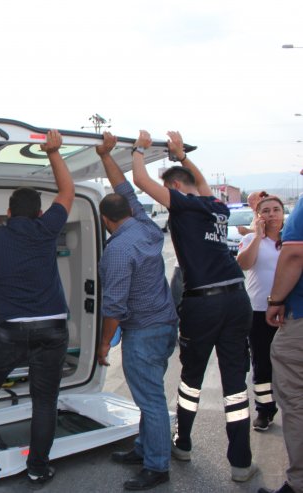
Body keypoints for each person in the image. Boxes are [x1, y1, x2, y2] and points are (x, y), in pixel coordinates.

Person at [132, 130, 256, 482]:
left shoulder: (184, 204)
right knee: (236, 384)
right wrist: (181, 155)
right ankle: (242, 464)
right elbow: (201, 182)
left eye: (169, 188)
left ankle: (182, 444)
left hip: (205, 303)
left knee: (190, 380)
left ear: (175, 187)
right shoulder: (215, 207)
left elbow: (140, 180)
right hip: (237, 298)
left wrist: (140, 148)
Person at [0, 129, 74, 488]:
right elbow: (67, 191)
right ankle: (38, 468)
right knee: (45, 401)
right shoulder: (46, 229)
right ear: (39, 212)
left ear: (8, 213)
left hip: (10, 327)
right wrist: (53, 153)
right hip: (52, 328)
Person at [96, 132, 178, 490]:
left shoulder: (117, 250)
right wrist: (106, 156)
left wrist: (102, 346)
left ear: (104, 219)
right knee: (151, 394)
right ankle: (145, 448)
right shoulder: (145, 227)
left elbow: (114, 306)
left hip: (143, 332)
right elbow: (124, 188)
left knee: (151, 400)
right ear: (128, 212)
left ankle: (157, 466)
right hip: (163, 326)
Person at [260, 183, 303, 493]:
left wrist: (276, 300)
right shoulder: (254, 239)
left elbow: (294, 256)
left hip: (298, 318)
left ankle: (298, 482)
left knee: (296, 402)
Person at [236, 193, 285, 432]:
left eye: (276, 209)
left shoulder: (293, 238)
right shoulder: (250, 240)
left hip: (290, 311)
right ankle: (265, 411)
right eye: (266, 211)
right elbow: (243, 264)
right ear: (258, 215)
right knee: (262, 362)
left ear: (283, 213)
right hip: (258, 310)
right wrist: (256, 236)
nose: (271, 214)